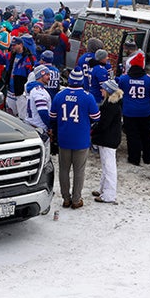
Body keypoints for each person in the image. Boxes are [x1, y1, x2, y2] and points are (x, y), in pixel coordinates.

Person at [50, 69, 100, 209]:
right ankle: (76, 199)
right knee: (79, 170)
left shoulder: (60, 95)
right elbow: (96, 117)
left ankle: (66, 199)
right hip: (81, 139)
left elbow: (52, 117)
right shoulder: (87, 97)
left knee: (64, 169)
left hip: (64, 137)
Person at [117, 51, 150, 166]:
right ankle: (148, 157)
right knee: (147, 136)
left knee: (132, 136)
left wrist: (122, 105)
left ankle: (134, 158)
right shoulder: (149, 79)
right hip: (145, 112)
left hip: (129, 112)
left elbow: (117, 95)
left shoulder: (123, 79)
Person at [90, 79, 123, 204]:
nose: (101, 90)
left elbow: (103, 124)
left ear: (108, 91)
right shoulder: (112, 104)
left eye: (103, 88)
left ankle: (109, 195)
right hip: (110, 139)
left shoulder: (110, 106)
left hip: (108, 139)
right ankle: (103, 189)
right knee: (106, 166)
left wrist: (93, 130)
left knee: (109, 167)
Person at [22, 65, 53, 138]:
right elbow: (42, 111)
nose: (49, 77)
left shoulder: (34, 89)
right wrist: (50, 126)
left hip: (32, 125)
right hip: (38, 129)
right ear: (40, 75)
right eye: (47, 75)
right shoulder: (39, 91)